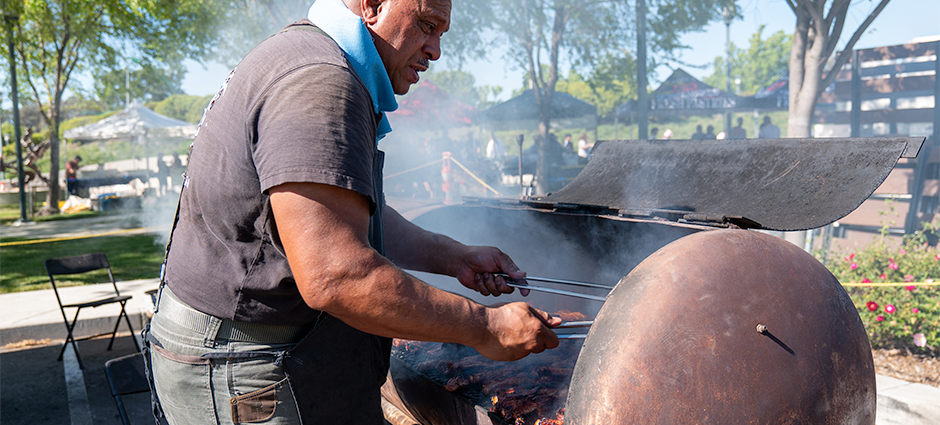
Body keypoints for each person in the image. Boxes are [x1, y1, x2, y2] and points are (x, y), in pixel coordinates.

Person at [145, 0, 560, 424]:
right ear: (373, 5)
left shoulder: (308, 55)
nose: (435, 50)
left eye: (440, 33)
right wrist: (486, 328)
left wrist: (453, 256)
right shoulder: (322, 82)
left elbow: (343, 215)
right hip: (248, 368)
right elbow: (337, 275)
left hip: (248, 352)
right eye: (426, 24)